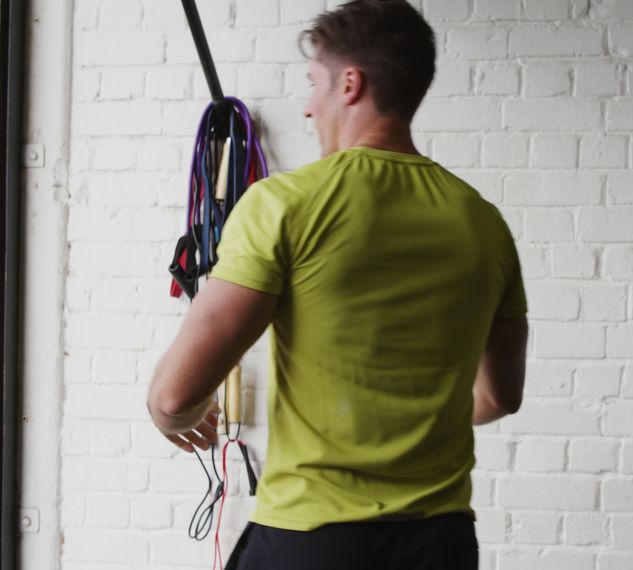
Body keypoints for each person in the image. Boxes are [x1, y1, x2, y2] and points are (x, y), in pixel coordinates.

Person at [146, 1, 527, 568]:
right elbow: (498, 396)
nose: (307, 107)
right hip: (440, 544)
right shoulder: (484, 223)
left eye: (313, 84)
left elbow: (174, 395)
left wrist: (174, 419)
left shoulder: (284, 205)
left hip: (314, 539)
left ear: (351, 83)